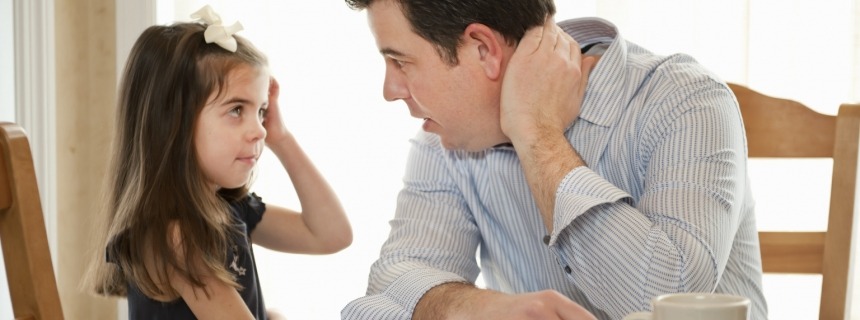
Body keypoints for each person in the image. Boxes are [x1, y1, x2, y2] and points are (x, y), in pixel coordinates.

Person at [340, 0, 766, 319]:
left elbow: (665, 303)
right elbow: (387, 291)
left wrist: (535, 134)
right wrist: (479, 309)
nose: (390, 89)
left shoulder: (686, 102)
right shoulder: (445, 139)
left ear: (482, 50)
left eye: (400, 61)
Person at [84, 5, 352, 319]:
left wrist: (281, 137)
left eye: (261, 111)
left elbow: (331, 234)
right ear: (174, 123)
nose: (259, 130)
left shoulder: (229, 209)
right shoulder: (174, 239)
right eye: (237, 110)